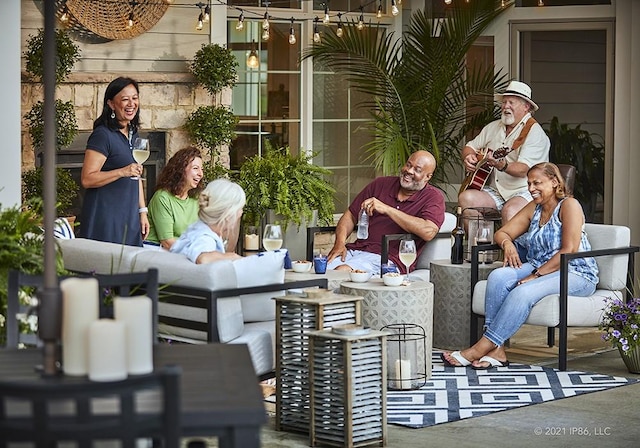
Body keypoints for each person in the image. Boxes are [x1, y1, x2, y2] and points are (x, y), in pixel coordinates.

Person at [442, 162, 598, 369]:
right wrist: (508, 245)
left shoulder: (569, 205)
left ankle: (479, 348)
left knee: (522, 292)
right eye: (529, 183)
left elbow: (569, 249)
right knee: (498, 277)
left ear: (554, 182)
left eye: (537, 183)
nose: (531, 188)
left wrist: (535, 275)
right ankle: (496, 350)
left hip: (575, 271)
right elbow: (502, 232)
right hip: (539, 264)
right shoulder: (535, 207)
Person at [326, 150, 445, 273]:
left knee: (342, 271)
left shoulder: (433, 197)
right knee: (317, 271)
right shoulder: (381, 184)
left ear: (428, 176)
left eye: (417, 170)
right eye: (408, 165)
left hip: (387, 259)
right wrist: (339, 243)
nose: (409, 171)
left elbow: (428, 231)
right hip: (355, 252)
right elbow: (351, 215)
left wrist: (387, 209)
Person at [458, 80, 550, 224]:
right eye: (504, 102)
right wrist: (468, 156)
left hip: (526, 190)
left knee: (510, 210)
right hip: (496, 191)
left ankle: (509, 247)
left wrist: (502, 165)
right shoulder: (493, 127)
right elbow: (470, 146)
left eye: (511, 103)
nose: (505, 106)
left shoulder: (534, 133)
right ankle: (480, 245)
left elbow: (524, 169)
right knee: (466, 199)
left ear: (526, 107)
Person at [79, 76, 148, 246]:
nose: (131, 103)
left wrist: (142, 211)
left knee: (131, 267)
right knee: (106, 268)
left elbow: (136, 174)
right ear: (111, 104)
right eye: (125, 99)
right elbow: (87, 179)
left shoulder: (133, 134)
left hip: (129, 214)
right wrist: (122, 171)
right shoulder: (102, 135)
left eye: (135, 98)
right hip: (106, 217)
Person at [170, 178, 245, 264]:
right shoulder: (205, 238)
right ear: (228, 215)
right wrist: (234, 257)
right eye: (240, 208)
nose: (241, 213)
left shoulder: (197, 229)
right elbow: (203, 259)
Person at [145, 147, 204, 250]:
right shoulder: (162, 197)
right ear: (181, 170)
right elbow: (167, 242)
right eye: (195, 168)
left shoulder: (195, 198)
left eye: (201, 169)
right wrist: (199, 251)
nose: (200, 174)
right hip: (158, 252)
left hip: (183, 252)